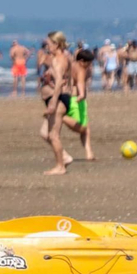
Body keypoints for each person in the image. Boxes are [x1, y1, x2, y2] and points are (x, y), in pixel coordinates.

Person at [38, 31, 73, 175]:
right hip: (57, 98)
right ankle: (64, 157)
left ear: (56, 44)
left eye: (49, 44)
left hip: (58, 100)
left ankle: (60, 166)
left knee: (53, 135)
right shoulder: (60, 58)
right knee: (44, 133)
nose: (47, 47)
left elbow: (59, 82)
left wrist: (53, 103)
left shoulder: (59, 59)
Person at [61, 48, 95, 161]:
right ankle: (61, 117)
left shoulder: (70, 64)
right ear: (82, 60)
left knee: (87, 127)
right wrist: (81, 94)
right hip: (76, 100)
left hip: (68, 97)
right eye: (88, 63)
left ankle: (89, 153)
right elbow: (80, 82)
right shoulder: (80, 68)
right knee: (82, 129)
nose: (89, 65)